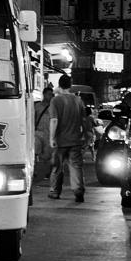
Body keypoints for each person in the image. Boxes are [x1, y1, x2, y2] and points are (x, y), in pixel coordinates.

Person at [46, 74, 89, 203]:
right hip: (75, 140)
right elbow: (83, 120)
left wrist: (52, 137)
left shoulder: (55, 100)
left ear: (59, 85)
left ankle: (54, 191)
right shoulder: (78, 100)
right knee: (76, 167)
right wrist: (85, 135)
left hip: (60, 140)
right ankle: (78, 191)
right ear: (70, 86)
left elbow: (54, 120)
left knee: (57, 167)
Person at [33, 85, 54, 181]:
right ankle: (34, 171)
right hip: (38, 132)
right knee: (35, 152)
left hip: (49, 134)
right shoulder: (37, 106)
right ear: (44, 94)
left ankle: (49, 172)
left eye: (52, 94)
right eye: (49, 94)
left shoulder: (53, 107)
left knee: (48, 155)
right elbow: (32, 119)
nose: (51, 96)